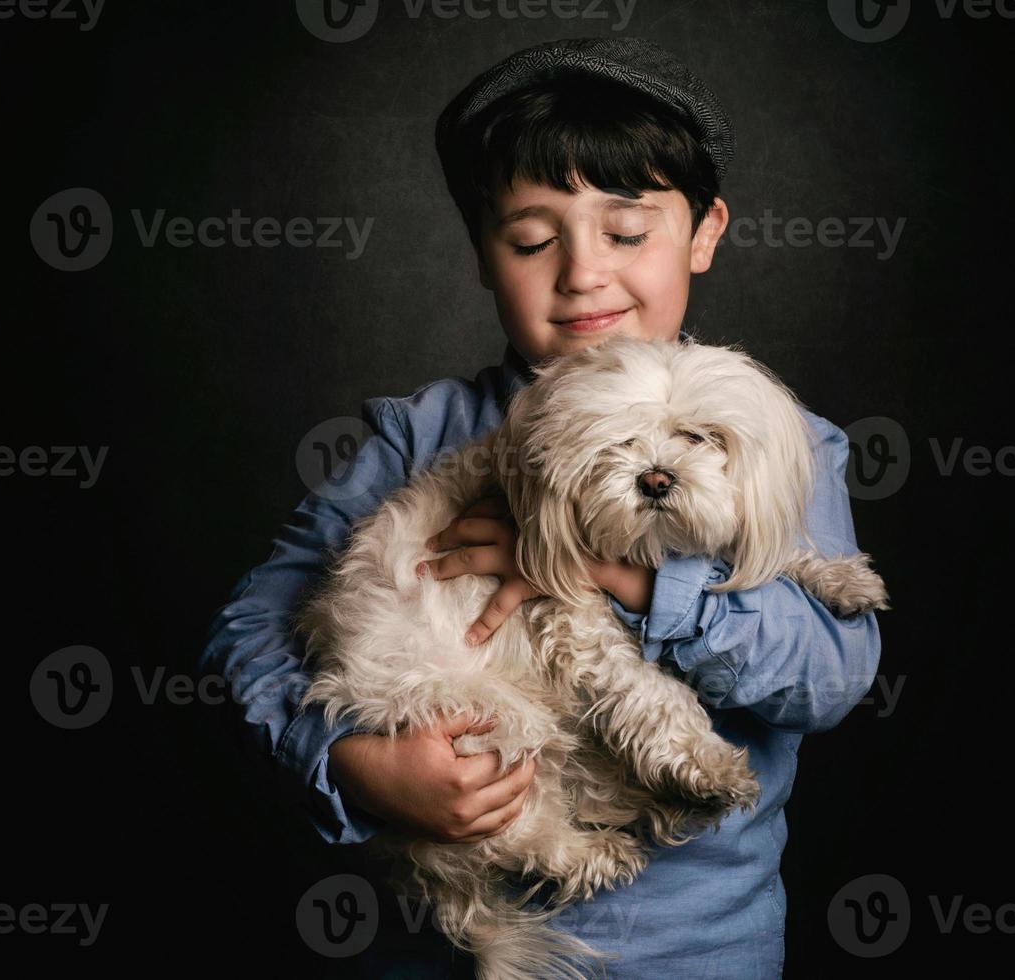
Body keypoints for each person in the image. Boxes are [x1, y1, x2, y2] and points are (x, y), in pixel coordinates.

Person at [199, 36, 882, 978]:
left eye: (627, 232)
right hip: (443, 946)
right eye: (531, 239)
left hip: (696, 948)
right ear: (483, 255)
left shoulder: (778, 440)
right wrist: (353, 766)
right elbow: (252, 627)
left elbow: (829, 678)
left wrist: (618, 575)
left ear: (704, 232)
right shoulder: (421, 434)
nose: (582, 273)